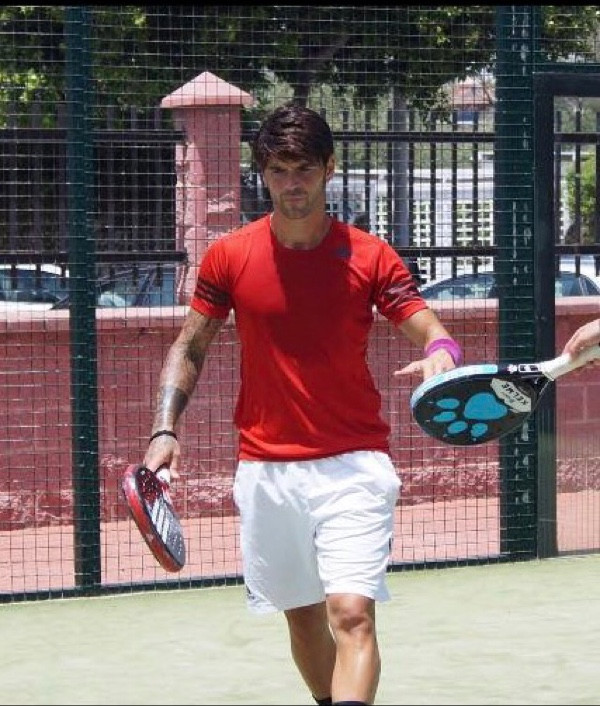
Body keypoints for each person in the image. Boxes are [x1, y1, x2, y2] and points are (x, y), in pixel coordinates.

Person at [142, 102, 463, 706]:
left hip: (355, 465)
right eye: (280, 171)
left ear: (329, 168)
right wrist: (165, 430)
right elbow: (190, 345)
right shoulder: (229, 256)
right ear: (263, 173)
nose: (293, 184)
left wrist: (442, 353)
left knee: (352, 614)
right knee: (304, 617)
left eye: (305, 169)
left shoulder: (369, 255)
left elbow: (430, 329)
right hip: (266, 470)